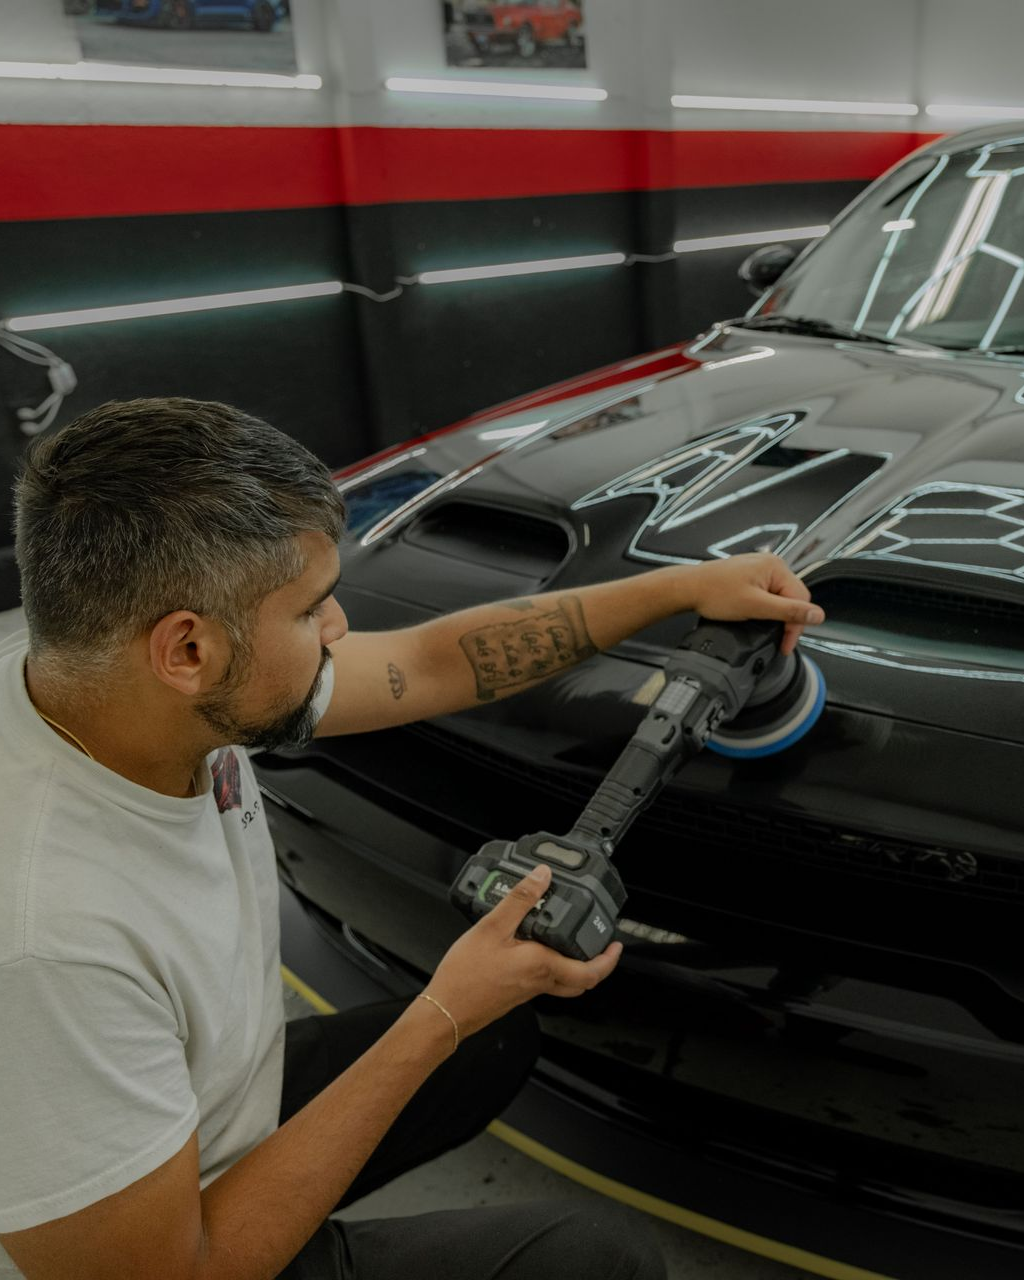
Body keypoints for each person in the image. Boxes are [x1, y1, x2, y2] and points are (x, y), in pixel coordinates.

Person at [0, 398, 824, 1280]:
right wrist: (440, 1013)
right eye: (312, 610)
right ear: (187, 650)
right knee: (597, 1260)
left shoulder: (113, 678)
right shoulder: (52, 944)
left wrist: (679, 591)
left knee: (493, 1037)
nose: (339, 629)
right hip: (164, 1257)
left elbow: (431, 664)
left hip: (194, 1107)